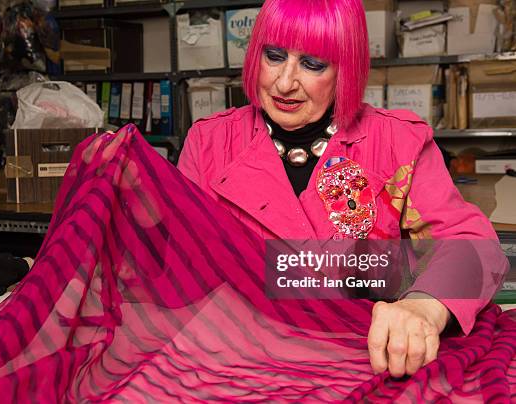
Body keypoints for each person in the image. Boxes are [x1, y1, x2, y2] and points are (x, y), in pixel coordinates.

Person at [177, 0, 508, 379]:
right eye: (274, 56)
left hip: (362, 360)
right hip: (238, 362)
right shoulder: (208, 143)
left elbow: (470, 245)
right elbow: (176, 264)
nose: (285, 82)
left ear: (345, 69)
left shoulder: (397, 142)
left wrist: (424, 308)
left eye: (313, 63)